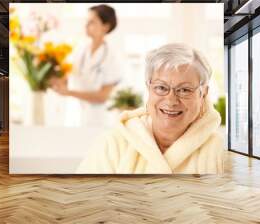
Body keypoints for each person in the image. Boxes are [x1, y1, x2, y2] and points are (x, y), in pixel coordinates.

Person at [75, 43, 224, 174]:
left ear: (203, 93)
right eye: (161, 87)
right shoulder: (112, 144)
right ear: (148, 88)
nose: (171, 100)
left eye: (184, 90)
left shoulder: (221, 151)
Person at [52, 4, 122, 127]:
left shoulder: (112, 56)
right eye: (86, 21)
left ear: (105, 27)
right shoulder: (80, 50)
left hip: (99, 119)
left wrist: (69, 92)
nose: (86, 25)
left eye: (92, 22)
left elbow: (102, 96)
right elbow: (67, 76)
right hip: (75, 115)